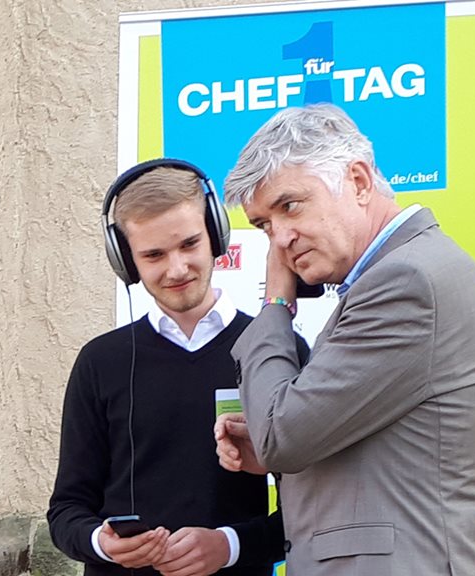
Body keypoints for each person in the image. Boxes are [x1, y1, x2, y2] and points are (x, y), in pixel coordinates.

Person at [214, 104, 475, 576]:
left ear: (358, 181)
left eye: (290, 206)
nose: (280, 239)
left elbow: (281, 436)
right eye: (265, 225)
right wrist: (280, 454)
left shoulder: (405, 281)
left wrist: (276, 304)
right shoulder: (402, 272)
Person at [48, 159, 308, 576]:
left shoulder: (278, 351)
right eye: (153, 255)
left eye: (189, 244)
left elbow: (315, 506)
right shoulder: (99, 362)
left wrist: (229, 546)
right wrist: (102, 543)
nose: (177, 268)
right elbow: (66, 511)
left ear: (216, 236)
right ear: (126, 261)